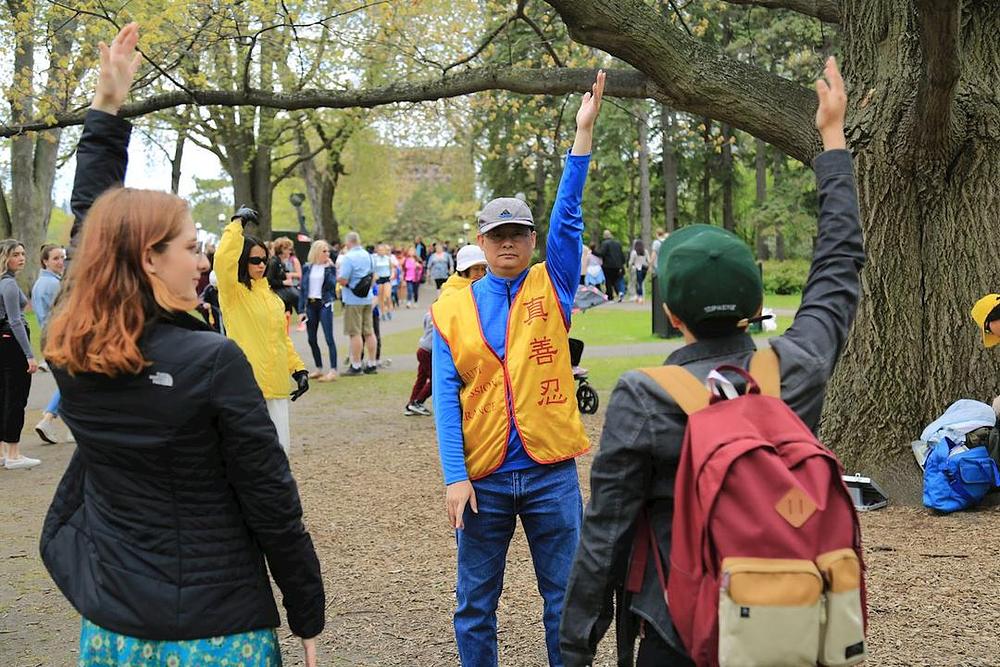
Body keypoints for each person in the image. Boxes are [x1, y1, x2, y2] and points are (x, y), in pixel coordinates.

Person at [559, 57, 862, 667]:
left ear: (670, 312)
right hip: (794, 625)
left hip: (680, 630)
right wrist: (832, 141)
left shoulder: (646, 395)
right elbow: (838, 267)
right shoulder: (794, 368)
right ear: (754, 308)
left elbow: (605, 537)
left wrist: (575, 647)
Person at [39, 24, 324, 666]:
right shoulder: (211, 361)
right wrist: (306, 613)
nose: (202, 261)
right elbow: (270, 499)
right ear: (148, 258)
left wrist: (106, 113)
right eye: (192, 247)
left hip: (111, 629)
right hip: (216, 634)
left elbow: (93, 227)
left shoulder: (72, 352)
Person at [432, 70, 605, 667]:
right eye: (498, 235)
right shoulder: (452, 308)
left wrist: (581, 138)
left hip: (550, 474)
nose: (508, 244)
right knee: (475, 602)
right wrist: (456, 476)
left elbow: (569, 215)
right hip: (483, 479)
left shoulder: (552, 284)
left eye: (518, 235)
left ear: (531, 240)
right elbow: (445, 398)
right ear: (481, 240)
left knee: (566, 600)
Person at [216, 211, 309, 454]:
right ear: (242, 261)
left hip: (276, 387)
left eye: (264, 260)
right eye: (254, 260)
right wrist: (237, 224)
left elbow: (281, 339)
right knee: (249, 458)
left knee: (279, 455)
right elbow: (223, 260)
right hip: (247, 388)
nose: (261, 265)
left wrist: (297, 369)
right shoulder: (233, 294)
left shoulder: (272, 297)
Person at [406, 245, 487, 417]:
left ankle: (412, 403)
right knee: (441, 381)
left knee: (424, 377)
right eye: (476, 269)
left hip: (431, 347)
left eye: (483, 269)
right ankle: (418, 402)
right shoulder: (452, 292)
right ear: (464, 270)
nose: (480, 273)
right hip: (444, 349)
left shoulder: (479, 288)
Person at [0, 240, 40, 470]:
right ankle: (14, 453)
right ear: (6, 257)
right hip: (12, 344)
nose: (22, 258)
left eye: (23, 253)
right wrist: (29, 355)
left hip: (2, 344)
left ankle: (3, 452)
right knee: (16, 397)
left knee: (3, 395)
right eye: (16, 254)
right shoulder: (9, 285)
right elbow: (15, 321)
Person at [33, 244, 70, 444]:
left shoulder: (42, 283)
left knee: (70, 382)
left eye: (62, 257)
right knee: (72, 382)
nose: (60, 261)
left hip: (51, 338)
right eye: (55, 258)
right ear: (45, 261)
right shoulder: (53, 285)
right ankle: (48, 419)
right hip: (60, 338)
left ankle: (59, 423)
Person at [338, 231, 378, 376]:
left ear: (348, 242)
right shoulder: (369, 256)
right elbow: (373, 276)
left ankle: (356, 365)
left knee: (354, 333)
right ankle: (372, 363)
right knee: (369, 331)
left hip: (352, 299)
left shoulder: (348, 258)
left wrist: (340, 280)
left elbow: (343, 279)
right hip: (367, 297)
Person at [299, 240, 338, 382]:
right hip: (310, 304)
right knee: (311, 338)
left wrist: (332, 270)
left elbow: (333, 287)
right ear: (316, 252)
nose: (327, 254)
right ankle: (319, 367)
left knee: (329, 337)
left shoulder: (329, 268)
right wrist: (300, 310)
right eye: (324, 251)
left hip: (324, 304)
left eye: (328, 251)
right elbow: (303, 290)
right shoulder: (307, 267)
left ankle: (333, 370)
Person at [594, 229, 625, 301]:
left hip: (608, 266)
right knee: (616, 281)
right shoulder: (618, 244)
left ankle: (610, 296)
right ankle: (619, 293)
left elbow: (601, 253)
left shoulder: (605, 243)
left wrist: (593, 252)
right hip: (617, 266)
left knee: (608, 281)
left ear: (604, 236)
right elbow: (622, 255)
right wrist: (622, 265)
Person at [374, 243, 393, 319]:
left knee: (387, 296)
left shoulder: (387, 258)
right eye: (380, 250)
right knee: (380, 297)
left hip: (386, 278)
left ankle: (388, 309)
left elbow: (391, 268)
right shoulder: (375, 259)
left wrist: (392, 274)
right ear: (377, 251)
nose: (381, 251)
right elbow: (373, 269)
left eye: (383, 250)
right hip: (379, 279)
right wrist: (375, 275)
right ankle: (383, 312)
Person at [628, 239, 649, 304]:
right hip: (644, 269)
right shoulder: (645, 251)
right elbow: (649, 260)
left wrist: (629, 269)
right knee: (641, 283)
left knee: (637, 283)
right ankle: (642, 296)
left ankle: (639, 296)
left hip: (637, 268)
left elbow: (631, 262)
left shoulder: (634, 252)